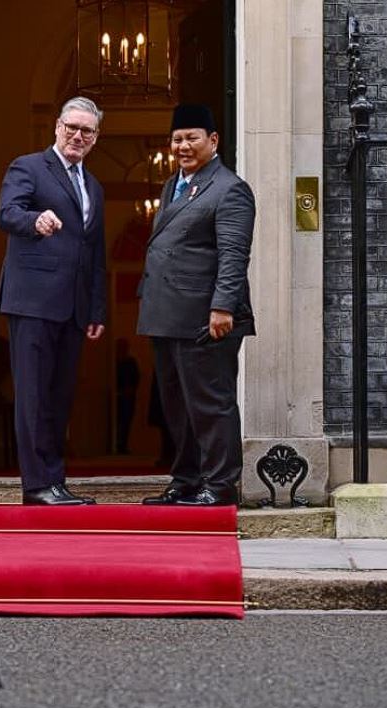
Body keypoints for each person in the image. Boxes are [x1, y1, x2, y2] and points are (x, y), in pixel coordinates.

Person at [137, 103, 256, 506]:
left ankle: (219, 485)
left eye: (192, 138)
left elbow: (233, 254)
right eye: (177, 139)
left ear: (213, 141)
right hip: (167, 314)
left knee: (210, 403)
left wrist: (223, 307)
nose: (183, 146)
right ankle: (186, 479)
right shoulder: (174, 184)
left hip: (206, 317)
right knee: (176, 406)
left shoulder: (229, 188)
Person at [0, 96, 107, 505]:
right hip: (32, 301)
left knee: (59, 397)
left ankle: (54, 481)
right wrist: (34, 220)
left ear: (96, 137)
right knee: (33, 396)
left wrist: (96, 308)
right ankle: (37, 485)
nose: (77, 136)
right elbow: (7, 212)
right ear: (57, 127)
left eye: (86, 131)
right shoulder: (28, 167)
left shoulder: (93, 186)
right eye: (71, 127)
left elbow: (95, 253)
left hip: (73, 307)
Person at [114, 339, 140, 455]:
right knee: (115, 421)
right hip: (115, 397)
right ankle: (115, 444)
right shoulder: (112, 362)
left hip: (127, 397)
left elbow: (136, 377)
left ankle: (122, 445)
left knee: (126, 422)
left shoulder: (130, 362)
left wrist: (131, 389)